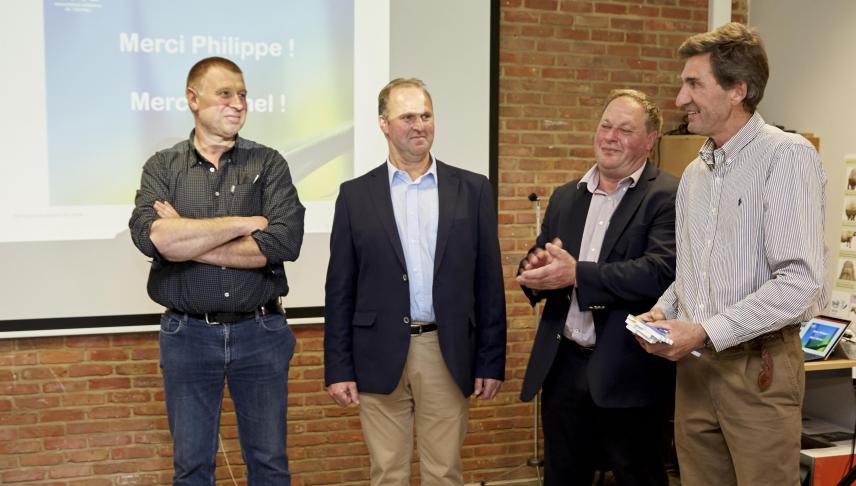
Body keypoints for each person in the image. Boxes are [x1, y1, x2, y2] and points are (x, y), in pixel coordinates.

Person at [637, 23, 827, 486]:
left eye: (693, 84)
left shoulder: (786, 156)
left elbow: (800, 283)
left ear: (738, 90)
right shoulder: (695, 173)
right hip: (696, 372)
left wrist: (703, 330)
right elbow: (694, 271)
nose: (680, 99)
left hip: (757, 370)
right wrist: (664, 310)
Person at [129, 56, 305, 485]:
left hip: (261, 333)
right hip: (187, 335)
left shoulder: (269, 164)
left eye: (242, 94)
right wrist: (245, 223)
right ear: (193, 99)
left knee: (268, 465)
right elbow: (149, 236)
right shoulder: (163, 167)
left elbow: (283, 242)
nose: (237, 103)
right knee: (192, 468)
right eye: (225, 93)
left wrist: (185, 242)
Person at [324, 78, 507, 485]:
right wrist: (338, 368)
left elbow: (488, 282)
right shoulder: (355, 195)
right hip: (375, 352)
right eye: (407, 116)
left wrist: (491, 360)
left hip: (445, 350)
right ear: (384, 124)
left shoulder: (472, 188)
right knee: (387, 472)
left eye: (426, 115)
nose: (419, 125)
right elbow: (340, 288)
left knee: (444, 472)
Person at [517, 89, 678, 486]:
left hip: (631, 370)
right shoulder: (564, 197)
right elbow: (549, 260)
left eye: (625, 129)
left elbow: (660, 271)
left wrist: (577, 275)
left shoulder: (668, 195)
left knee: (639, 476)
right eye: (606, 125)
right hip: (563, 367)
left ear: (650, 140)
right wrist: (534, 270)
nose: (610, 136)